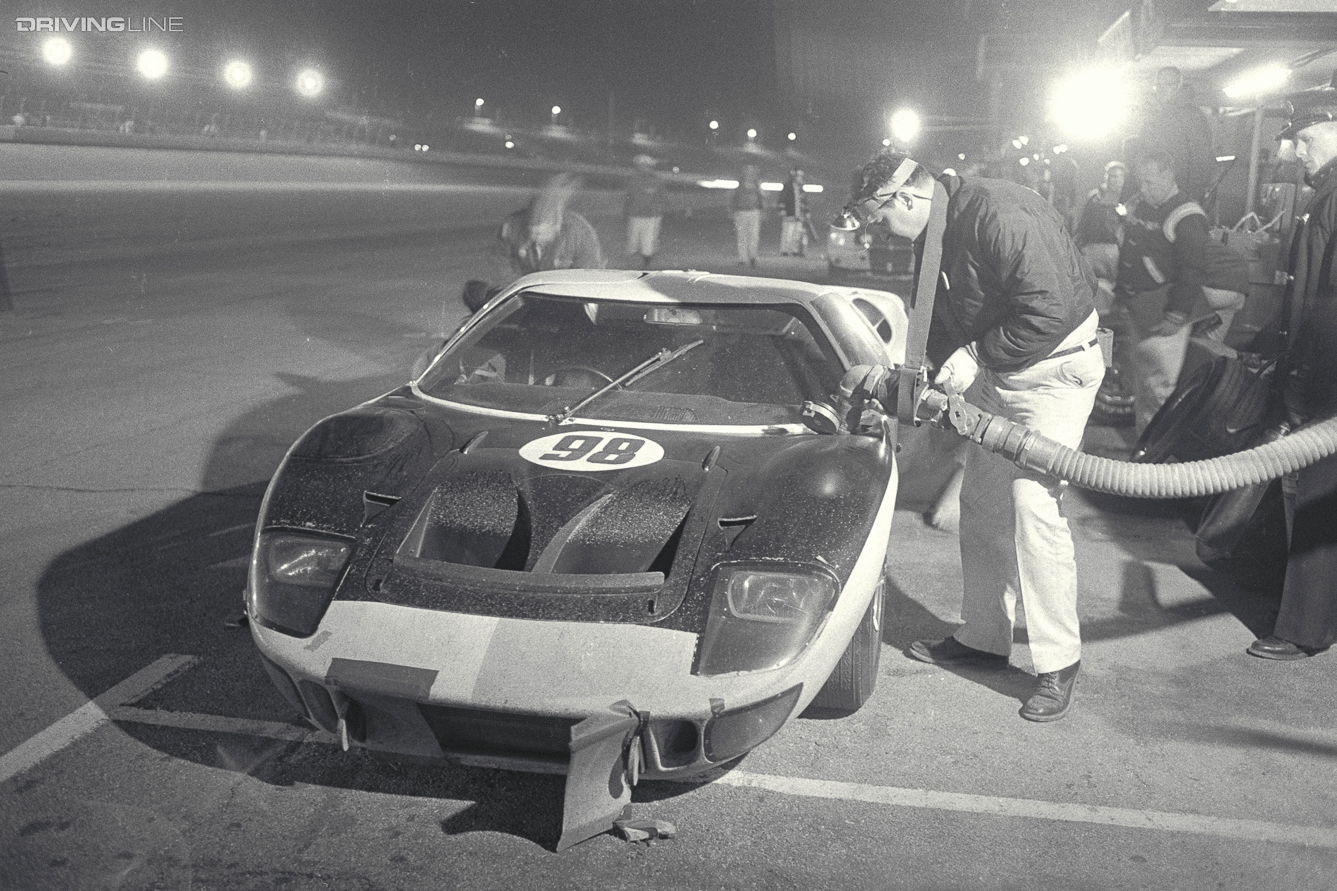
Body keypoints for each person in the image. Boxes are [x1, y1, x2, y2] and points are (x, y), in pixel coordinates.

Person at [851, 150, 1103, 722]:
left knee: (1032, 508)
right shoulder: (938, 227)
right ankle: (986, 640)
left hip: (1053, 374)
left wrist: (974, 355)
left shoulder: (999, 212)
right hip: (1002, 373)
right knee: (983, 503)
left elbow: (1052, 310)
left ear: (908, 198)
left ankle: (1058, 662)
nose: (885, 233)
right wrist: (930, 373)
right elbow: (940, 318)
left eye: (884, 219)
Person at [1247, 82, 1337, 661]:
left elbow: (1329, 301)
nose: (1298, 152)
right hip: (1319, 369)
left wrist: (1307, 383)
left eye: (1307, 139)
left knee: (1317, 503)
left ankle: (1305, 628)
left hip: (1329, 381)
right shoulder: (1324, 194)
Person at [1115, 151, 1247, 433]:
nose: (1143, 189)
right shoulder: (1147, 206)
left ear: (1168, 176)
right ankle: (1147, 448)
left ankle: (1154, 460)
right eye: (1140, 182)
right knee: (1147, 383)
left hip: (1178, 304)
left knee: (1159, 387)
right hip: (1149, 306)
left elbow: (1191, 270)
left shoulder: (1186, 215)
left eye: (1150, 182)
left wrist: (1176, 315)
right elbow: (1133, 251)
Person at [1127, 66, 1214, 204]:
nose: (1161, 89)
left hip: (1177, 195)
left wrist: (1193, 196)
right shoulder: (1153, 117)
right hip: (1150, 195)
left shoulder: (1192, 117)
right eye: (1158, 85)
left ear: (1179, 86)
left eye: (1168, 84)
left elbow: (1201, 159)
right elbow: (1142, 154)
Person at [1073, 161, 1128, 288]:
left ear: (1123, 178)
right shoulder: (1095, 197)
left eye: (1117, 176)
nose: (1112, 179)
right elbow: (1084, 221)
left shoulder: (1126, 199)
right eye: (1110, 175)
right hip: (1092, 247)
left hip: (1114, 249)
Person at [624, 154, 667, 269]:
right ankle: (636, 264)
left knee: (646, 242)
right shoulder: (634, 179)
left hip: (649, 216)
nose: (643, 168)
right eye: (641, 166)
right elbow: (629, 197)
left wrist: (657, 212)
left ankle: (645, 265)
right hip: (637, 215)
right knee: (634, 241)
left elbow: (661, 198)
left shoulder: (656, 180)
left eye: (645, 165)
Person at [732, 165, 764, 267]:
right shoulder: (741, 185)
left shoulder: (755, 185)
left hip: (752, 211)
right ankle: (744, 258)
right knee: (743, 236)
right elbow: (735, 198)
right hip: (743, 211)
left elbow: (761, 198)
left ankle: (752, 257)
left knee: (752, 235)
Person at [779, 168, 808, 256]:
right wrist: (782, 210)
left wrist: (806, 211)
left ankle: (794, 250)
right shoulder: (788, 186)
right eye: (798, 175)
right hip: (790, 213)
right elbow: (782, 198)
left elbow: (804, 201)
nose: (800, 177)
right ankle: (785, 250)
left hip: (799, 214)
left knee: (797, 233)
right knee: (788, 232)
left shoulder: (801, 187)